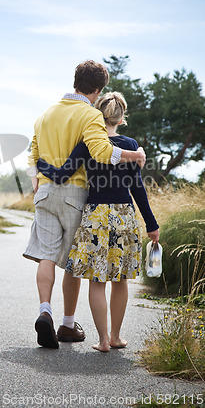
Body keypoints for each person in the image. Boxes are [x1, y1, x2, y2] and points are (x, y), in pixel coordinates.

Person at [23, 61, 147, 349]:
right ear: (98, 89)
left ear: (75, 81)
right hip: (75, 193)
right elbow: (103, 151)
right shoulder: (90, 115)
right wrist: (136, 154)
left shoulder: (45, 114)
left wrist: (35, 181)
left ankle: (45, 310)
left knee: (46, 255)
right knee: (72, 263)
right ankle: (67, 325)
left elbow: (33, 152)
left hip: (45, 191)